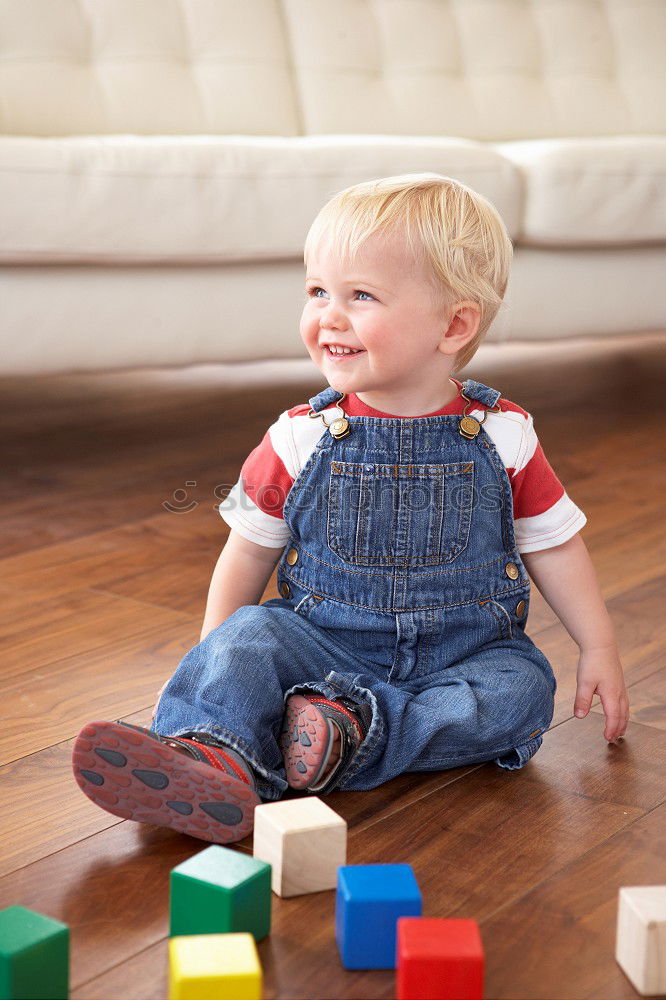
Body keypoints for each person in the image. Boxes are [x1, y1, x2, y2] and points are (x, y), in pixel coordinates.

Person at [72, 174, 629, 844]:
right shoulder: (298, 435)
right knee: (250, 638)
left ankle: (349, 730)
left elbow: (554, 542)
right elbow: (247, 550)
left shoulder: (504, 432)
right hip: (321, 641)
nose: (327, 316)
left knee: (522, 694)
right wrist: (214, 661)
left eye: (359, 296)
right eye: (317, 292)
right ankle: (210, 752)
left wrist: (597, 645)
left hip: (464, 652)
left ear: (453, 325)